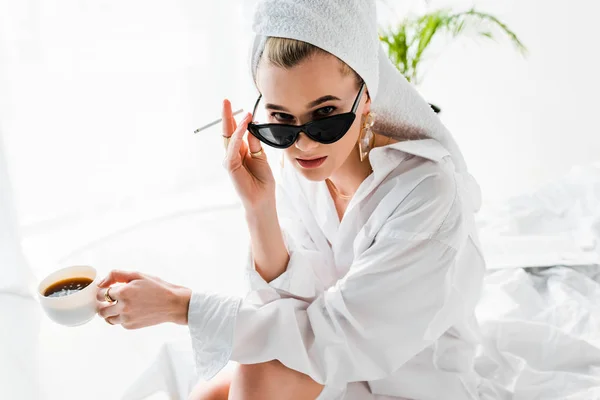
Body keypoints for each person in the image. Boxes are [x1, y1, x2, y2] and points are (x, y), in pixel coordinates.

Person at [95, 1, 500, 399]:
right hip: (323, 363)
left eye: (325, 115)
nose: (302, 144)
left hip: (409, 381)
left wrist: (180, 306)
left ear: (367, 98)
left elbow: (341, 338)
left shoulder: (426, 193)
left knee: (257, 377)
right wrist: (259, 207)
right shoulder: (303, 173)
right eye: (281, 121)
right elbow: (291, 306)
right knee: (213, 392)